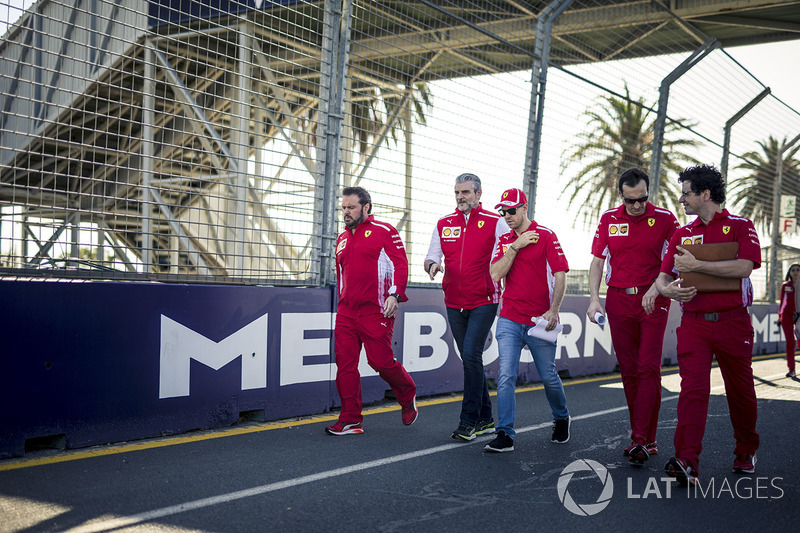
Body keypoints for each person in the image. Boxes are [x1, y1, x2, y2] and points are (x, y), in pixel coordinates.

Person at [655, 164, 761, 486]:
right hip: (694, 325)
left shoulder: (742, 226)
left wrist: (698, 265)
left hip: (733, 323)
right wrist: (667, 290)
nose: (681, 198)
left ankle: (746, 450)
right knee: (692, 392)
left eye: (686, 192)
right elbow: (662, 278)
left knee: (740, 392)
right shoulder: (681, 233)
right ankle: (687, 460)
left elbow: (744, 267)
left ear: (705, 194)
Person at [587, 168, 680, 466]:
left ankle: (641, 439)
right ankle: (646, 438)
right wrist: (593, 300)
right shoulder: (609, 219)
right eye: (631, 201)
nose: (637, 206)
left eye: (642, 199)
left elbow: (678, 257)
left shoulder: (665, 218)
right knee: (628, 370)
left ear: (648, 193)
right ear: (621, 196)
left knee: (648, 367)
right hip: (617, 299)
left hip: (654, 298)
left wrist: (658, 286)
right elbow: (597, 262)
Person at [326, 186, 418, 435]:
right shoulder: (342, 238)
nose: (346, 212)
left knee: (380, 361)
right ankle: (351, 419)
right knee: (345, 364)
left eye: (351, 207)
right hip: (346, 312)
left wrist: (395, 294)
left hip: (377, 310)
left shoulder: (385, 231)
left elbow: (400, 264)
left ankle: (407, 393)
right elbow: (341, 275)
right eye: (344, 207)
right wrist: (342, 303)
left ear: (366, 207)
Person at [424, 173, 509, 441]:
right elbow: (430, 256)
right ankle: (485, 419)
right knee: (470, 359)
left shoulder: (496, 223)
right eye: (457, 193)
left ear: (478, 194)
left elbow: (507, 258)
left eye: (466, 193)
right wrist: (432, 266)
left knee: (471, 356)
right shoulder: (443, 224)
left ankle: (468, 421)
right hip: (453, 301)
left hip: (484, 300)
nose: (461, 197)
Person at [485, 188, 571, 452]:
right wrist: (515, 246)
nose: (507, 215)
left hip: (539, 320)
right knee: (505, 375)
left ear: (525, 208)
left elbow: (560, 274)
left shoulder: (545, 235)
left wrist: (554, 310)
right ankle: (505, 434)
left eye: (512, 210)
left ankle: (561, 417)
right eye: (503, 211)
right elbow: (495, 274)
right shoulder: (505, 240)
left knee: (548, 375)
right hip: (509, 317)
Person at [779, 264, 799, 378]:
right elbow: (782, 301)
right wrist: (779, 315)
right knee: (790, 342)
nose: (795, 272)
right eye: (793, 270)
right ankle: (791, 369)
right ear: (789, 272)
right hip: (786, 316)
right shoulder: (786, 286)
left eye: (798, 270)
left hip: (799, 316)